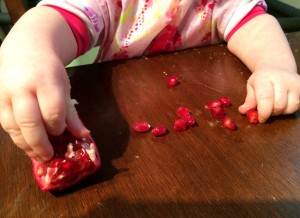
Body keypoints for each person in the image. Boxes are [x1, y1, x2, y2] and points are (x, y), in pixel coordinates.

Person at [0, 0, 299, 163]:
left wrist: (274, 65)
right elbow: (59, 17)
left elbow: (253, 21)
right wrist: (30, 52)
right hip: (126, 133)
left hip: (216, 153)